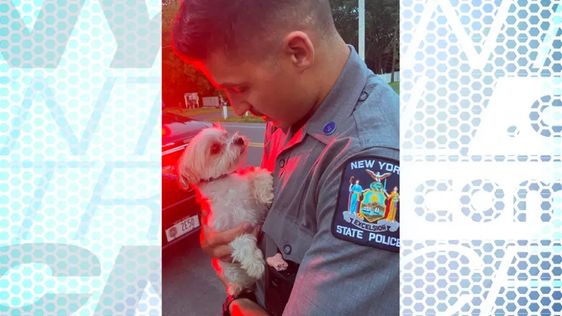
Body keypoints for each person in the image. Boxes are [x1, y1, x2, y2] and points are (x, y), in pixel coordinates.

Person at [173, 1, 399, 315]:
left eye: (240, 87)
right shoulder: (286, 112)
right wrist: (221, 243)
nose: (236, 109)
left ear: (298, 53)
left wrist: (237, 302)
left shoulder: (370, 163)